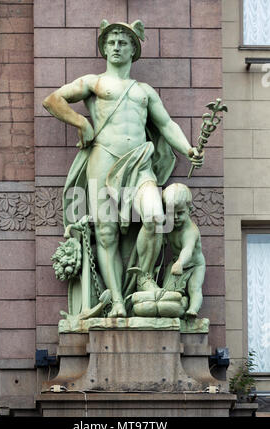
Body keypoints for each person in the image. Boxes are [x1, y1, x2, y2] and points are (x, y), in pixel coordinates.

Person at [42, 20, 204, 318]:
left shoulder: (144, 91)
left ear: (134, 50)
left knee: (156, 216)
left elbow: (166, 124)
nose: (116, 47)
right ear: (104, 48)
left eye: (123, 42)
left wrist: (188, 149)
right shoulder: (95, 82)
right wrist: (82, 123)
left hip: (140, 162)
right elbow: (53, 100)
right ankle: (117, 300)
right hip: (102, 159)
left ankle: (141, 278)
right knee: (107, 233)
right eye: (112, 42)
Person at [162, 183, 206, 317]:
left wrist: (181, 263)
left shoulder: (190, 231)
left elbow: (187, 249)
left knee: (194, 288)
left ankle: (193, 309)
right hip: (176, 262)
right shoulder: (168, 224)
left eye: (180, 213)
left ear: (190, 210)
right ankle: (180, 302)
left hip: (194, 265)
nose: (175, 217)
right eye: (171, 213)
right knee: (166, 292)